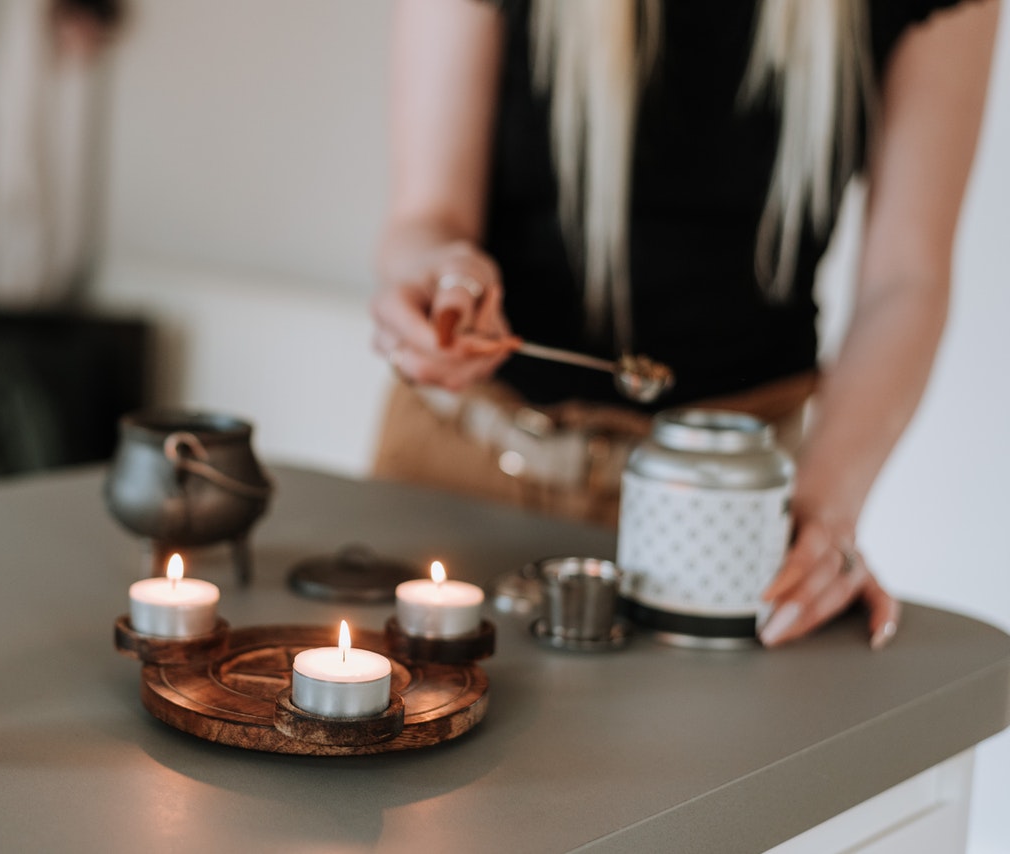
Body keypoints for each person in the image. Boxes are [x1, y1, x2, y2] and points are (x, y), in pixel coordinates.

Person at [369, 0, 999, 648]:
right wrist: (439, 277)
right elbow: (428, 216)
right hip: (458, 470)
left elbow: (907, 279)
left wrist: (824, 510)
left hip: (728, 522)